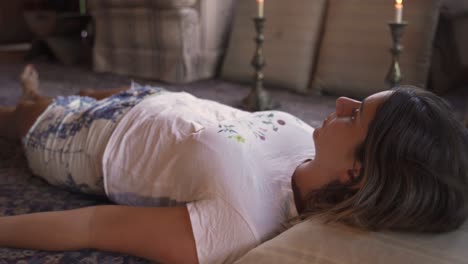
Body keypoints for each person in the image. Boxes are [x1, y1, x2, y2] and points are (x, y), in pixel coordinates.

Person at [0, 65, 467, 264]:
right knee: (62, 95)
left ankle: (30, 102)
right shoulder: (316, 144)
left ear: (356, 173)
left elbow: (93, 228)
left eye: (356, 114)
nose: (342, 102)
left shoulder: (240, 222)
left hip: (86, 141)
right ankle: (38, 91)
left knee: (22, 117)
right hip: (152, 101)